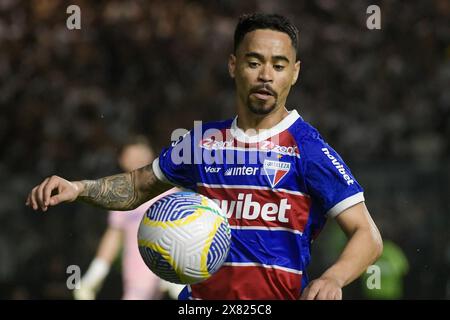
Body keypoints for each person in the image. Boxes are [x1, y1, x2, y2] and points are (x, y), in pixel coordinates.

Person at [26, 13, 383, 300]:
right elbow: (138, 186)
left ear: (295, 72)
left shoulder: (308, 149)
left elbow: (367, 235)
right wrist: (78, 188)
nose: (265, 76)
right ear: (233, 65)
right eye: (254, 61)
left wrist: (333, 278)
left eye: (278, 65)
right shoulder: (203, 140)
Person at [72, 136, 182, 300]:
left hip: (174, 278)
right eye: (133, 158)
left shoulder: (169, 192)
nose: (138, 162)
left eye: (142, 158)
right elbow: (114, 236)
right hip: (136, 279)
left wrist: (176, 269)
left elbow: (186, 228)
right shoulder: (121, 198)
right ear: (122, 160)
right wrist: (95, 274)